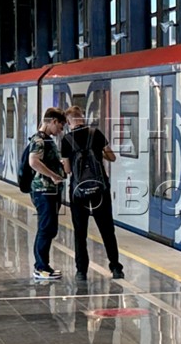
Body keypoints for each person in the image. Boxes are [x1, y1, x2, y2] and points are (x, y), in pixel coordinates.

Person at [61, 105, 124, 281]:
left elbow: (67, 170)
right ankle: (115, 267)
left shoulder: (66, 139)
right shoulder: (96, 133)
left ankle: (81, 271)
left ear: (68, 122)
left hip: (78, 193)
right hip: (100, 191)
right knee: (107, 230)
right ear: (82, 117)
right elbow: (112, 157)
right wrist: (98, 154)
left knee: (80, 233)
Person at [25, 108, 68, 280]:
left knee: (49, 228)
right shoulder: (39, 140)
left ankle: (44, 266)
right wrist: (53, 175)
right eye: (60, 126)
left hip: (49, 191)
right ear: (53, 121)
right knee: (45, 228)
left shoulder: (46, 140)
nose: (60, 131)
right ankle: (40, 267)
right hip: (43, 191)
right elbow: (33, 161)